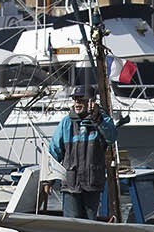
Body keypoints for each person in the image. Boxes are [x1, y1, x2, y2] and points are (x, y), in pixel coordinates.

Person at [48, 91, 117, 220]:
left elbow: (111, 137)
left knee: (90, 224)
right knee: (71, 224)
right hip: (70, 184)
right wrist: (47, 180)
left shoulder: (102, 120)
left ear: (91, 102)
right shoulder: (66, 123)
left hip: (92, 184)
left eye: (81, 99)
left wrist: (98, 118)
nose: (77, 102)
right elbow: (54, 151)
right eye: (75, 99)